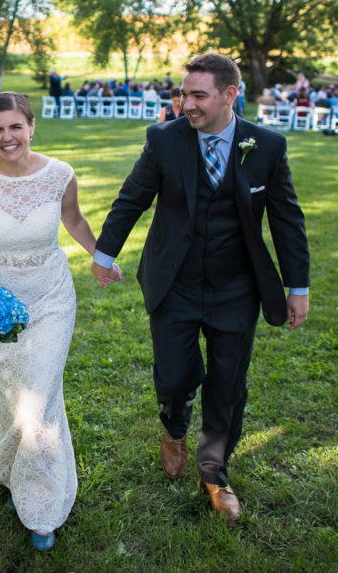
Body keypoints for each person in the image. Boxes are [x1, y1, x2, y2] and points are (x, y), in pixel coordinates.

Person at [90, 53, 310, 521]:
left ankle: (215, 473)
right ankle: (174, 428)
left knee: (228, 384)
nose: (185, 104)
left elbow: (288, 220)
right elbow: (133, 198)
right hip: (175, 283)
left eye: (198, 96)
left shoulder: (266, 146)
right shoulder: (165, 139)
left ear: (230, 95)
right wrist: (104, 255)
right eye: (183, 94)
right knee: (174, 377)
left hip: (237, 288)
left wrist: (298, 286)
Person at [0, 92, 121, 551]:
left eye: (15, 127)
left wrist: (101, 256)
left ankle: (42, 508)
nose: (7, 137)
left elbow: (74, 219)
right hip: (2, 301)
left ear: (32, 126)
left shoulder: (60, 174)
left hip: (51, 297)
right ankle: (13, 472)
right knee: (12, 396)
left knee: (38, 404)